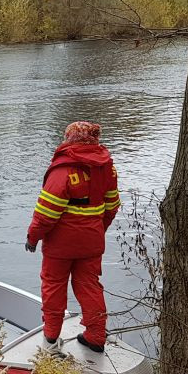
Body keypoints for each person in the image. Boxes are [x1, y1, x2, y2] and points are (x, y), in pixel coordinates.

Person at [25, 121, 120, 355]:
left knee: (54, 286)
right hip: (92, 241)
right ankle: (96, 337)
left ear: (69, 138)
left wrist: (33, 238)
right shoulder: (107, 168)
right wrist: (97, 230)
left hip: (61, 245)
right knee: (90, 286)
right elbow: (112, 206)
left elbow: (46, 214)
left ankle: (51, 337)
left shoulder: (63, 170)